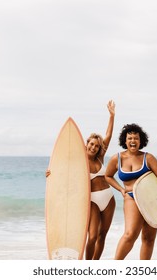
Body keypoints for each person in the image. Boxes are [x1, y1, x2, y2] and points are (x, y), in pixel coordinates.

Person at [46, 100, 116, 260]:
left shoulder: (100, 158)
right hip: (91, 201)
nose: (93, 147)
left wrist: (112, 116)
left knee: (102, 236)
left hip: (109, 199)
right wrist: (51, 174)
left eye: (96, 146)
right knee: (92, 237)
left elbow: (109, 136)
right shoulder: (79, 161)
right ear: (86, 144)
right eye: (91, 144)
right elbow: (64, 172)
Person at [104, 123, 157, 260]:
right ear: (124, 140)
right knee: (130, 234)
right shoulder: (117, 158)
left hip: (151, 199)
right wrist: (120, 189)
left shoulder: (148, 158)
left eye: (136, 138)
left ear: (141, 140)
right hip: (131, 197)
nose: (133, 141)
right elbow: (107, 176)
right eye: (130, 138)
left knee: (148, 238)